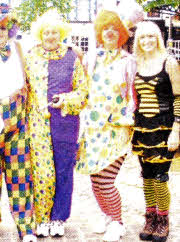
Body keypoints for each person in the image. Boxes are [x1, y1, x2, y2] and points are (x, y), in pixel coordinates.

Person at [77, 5, 142, 241]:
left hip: (117, 129)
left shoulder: (129, 61)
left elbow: (134, 95)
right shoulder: (93, 58)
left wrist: (127, 118)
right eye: (106, 29)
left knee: (106, 180)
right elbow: (83, 88)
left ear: (122, 33)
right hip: (93, 129)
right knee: (95, 178)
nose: (111, 32)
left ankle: (118, 222)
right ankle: (107, 214)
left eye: (116, 29)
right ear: (100, 32)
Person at [0, 3, 37, 242]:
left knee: (20, 175)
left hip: (16, 119)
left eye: (2, 28)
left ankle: (26, 227)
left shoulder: (21, 49)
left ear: (10, 30)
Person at [25, 9, 87, 238]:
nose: (50, 36)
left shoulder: (72, 56)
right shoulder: (30, 57)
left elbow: (83, 90)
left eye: (54, 32)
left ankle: (58, 217)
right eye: (46, 32)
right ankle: (41, 217)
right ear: (40, 34)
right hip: (38, 122)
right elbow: (25, 90)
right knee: (42, 172)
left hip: (66, 122)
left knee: (63, 170)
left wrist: (67, 99)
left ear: (61, 33)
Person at [132, 21, 180, 242]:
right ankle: (150, 218)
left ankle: (163, 220)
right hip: (142, 127)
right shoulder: (137, 64)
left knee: (161, 177)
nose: (147, 41)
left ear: (158, 37)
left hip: (164, 127)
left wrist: (176, 130)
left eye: (151, 36)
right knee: (147, 176)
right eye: (142, 37)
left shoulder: (169, 62)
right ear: (138, 41)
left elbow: (178, 97)